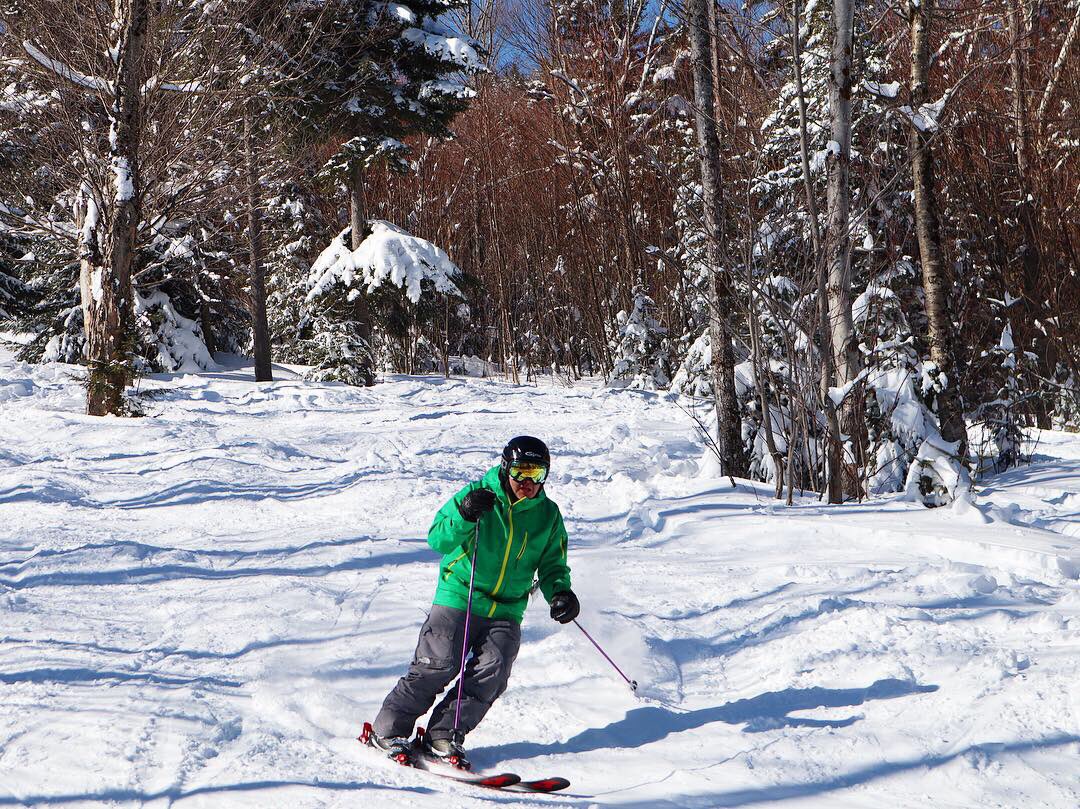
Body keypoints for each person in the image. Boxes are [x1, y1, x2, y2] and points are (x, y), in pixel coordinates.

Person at [370, 435, 580, 768]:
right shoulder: (478, 495)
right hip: (460, 594)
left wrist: (561, 593)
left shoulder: (548, 515)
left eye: (537, 474)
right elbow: (438, 538)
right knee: (438, 664)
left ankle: (443, 734)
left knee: (492, 672)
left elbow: (553, 564)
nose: (528, 482)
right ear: (506, 468)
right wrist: (465, 514)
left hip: (507, 607)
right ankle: (388, 730)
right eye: (521, 472)